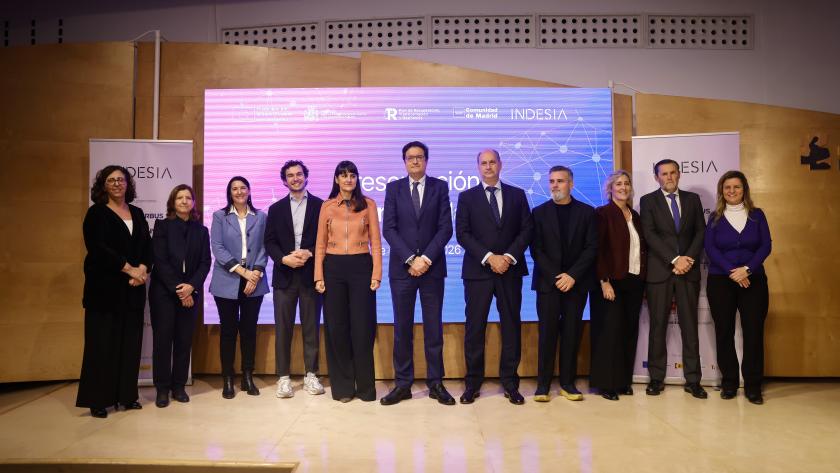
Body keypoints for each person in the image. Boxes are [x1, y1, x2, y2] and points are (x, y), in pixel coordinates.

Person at [455, 149, 533, 405]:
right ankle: (472, 383)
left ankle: (510, 382)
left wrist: (507, 257)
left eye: (492, 162)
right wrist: (490, 257)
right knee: (474, 328)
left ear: (500, 164)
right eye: (483, 163)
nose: (488, 167)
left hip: (510, 271)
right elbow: (463, 234)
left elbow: (526, 230)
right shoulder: (466, 197)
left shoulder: (517, 194)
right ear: (478, 166)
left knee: (511, 326)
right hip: (478, 272)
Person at [381, 141, 455, 406]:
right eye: (410, 158)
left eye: (419, 157)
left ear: (426, 160)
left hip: (432, 269)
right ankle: (403, 384)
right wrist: (411, 259)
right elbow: (388, 229)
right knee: (403, 329)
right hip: (402, 270)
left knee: (433, 328)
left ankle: (436, 383)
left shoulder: (440, 187)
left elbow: (446, 228)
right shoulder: (394, 188)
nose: (415, 161)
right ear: (404, 162)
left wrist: (425, 258)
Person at [76, 165, 152, 418]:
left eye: (121, 179)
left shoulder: (138, 213)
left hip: (133, 290)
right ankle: (98, 400)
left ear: (128, 184)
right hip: (104, 291)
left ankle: (127, 396)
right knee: (101, 346)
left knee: (130, 345)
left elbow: (147, 247)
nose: (117, 184)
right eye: (111, 180)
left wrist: (142, 269)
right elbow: (97, 248)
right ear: (103, 185)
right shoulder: (96, 213)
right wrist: (128, 269)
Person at [314, 161, 382, 402]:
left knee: (363, 328)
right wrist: (318, 276)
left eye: (352, 175)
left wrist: (376, 274)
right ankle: (342, 388)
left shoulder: (368, 205)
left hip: (361, 267)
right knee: (336, 328)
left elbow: (376, 241)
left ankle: (365, 389)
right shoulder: (327, 206)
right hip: (333, 269)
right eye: (343, 176)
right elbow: (320, 243)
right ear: (336, 180)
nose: (348, 179)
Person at [639, 159, 707, 399]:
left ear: (679, 174)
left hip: (688, 272)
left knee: (690, 327)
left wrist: (686, 259)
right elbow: (649, 234)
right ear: (656, 177)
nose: (668, 177)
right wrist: (674, 259)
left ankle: (693, 380)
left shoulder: (693, 199)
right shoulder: (648, 201)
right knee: (658, 327)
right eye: (663, 174)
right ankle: (656, 379)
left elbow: (700, 231)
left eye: (672, 173)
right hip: (661, 272)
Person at [530, 166, 598, 402]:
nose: (555, 185)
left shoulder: (588, 212)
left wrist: (572, 276)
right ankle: (543, 385)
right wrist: (556, 276)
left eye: (560, 181)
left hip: (576, 285)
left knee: (571, 333)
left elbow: (591, 248)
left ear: (571, 183)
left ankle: (568, 383)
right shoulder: (538, 213)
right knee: (546, 334)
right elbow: (536, 249)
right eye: (552, 181)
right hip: (548, 284)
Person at [705, 170, 771, 404]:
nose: (732, 191)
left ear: (745, 190)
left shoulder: (757, 215)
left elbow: (765, 246)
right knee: (724, 333)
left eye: (737, 187)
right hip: (721, 281)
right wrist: (734, 272)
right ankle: (730, 383)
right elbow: (710, 249)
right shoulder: (714, 218)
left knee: (753, 333)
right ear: (722, 191)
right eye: (727, 188)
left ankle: (753, 386)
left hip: (753, 281)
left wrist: (748, 270)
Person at [264, 160, 325, 398]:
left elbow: (325, 238)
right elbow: (269, 241)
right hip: (285, 277)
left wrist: (308, 252)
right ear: (284, 180)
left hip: (311, 276)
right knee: (283, 330)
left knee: (311, 329)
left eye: (299, 174)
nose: (295, 178)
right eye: (290, 175)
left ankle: (311, 375)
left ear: (306, 177)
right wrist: (283, 259)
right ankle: (283, 378)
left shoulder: (321, 206)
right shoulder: (276, 208)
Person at [149, 184, 211, 408]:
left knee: (184, 342)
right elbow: (160, 260)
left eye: (188, 198)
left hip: (190, 293)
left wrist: (191, 287)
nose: (184, 201)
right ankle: (162, 389)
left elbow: (205, 263)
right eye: (179, 198)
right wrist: (179, 289)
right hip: (164, 293)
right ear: (173, 203)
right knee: (163, 342)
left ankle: (179, 386)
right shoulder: (162, 226)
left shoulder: (201, 231)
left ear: (193, 203)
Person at [209, 176, 269, 399]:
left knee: (249, 331)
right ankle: (228, 378)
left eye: (243, 187)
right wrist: (243, 273)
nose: (239, 191)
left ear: (250, 191)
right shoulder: (220, 216)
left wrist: (256, 274)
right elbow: (217, 247)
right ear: (229, 193)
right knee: (228, 331)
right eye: (234, 188)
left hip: (256, 277)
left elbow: (265, 246)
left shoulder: (261, 216)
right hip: (228, 278)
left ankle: (247, 376)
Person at [590, 170, 647, 401]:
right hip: (611, 281)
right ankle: (607, 384)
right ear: (610, 189)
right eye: (618, 184)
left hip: (634, 280)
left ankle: (623, 380)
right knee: (610, 333)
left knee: (628, 331)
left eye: (626, 183)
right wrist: (604, 281)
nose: (623, 187)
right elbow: (598, 250)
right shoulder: (602, 213)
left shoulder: (635, 215)